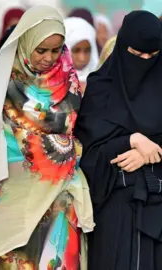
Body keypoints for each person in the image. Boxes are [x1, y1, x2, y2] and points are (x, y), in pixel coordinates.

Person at [0, 6, 94, 269]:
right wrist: (67, 150)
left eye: (56, 50)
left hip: (58, 201)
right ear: (26, 43)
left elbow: (78, 134)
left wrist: (66, 150)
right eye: (41, 50)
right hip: (11, 196)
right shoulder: (3, 83)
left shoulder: (69, 82)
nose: (49, 58)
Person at [74, 11, 162, 270]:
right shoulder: (102, 88)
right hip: (115, 211)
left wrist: (152, 151)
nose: (145, 61)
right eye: (137, 54)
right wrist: (130, 141)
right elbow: (87, 153)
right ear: (123, 46)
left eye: (153, 55)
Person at [64, 17, 99, 91]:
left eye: (87, 51)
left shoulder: (102, 82)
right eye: (76, 51)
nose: (82, 58)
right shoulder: (49, 85)